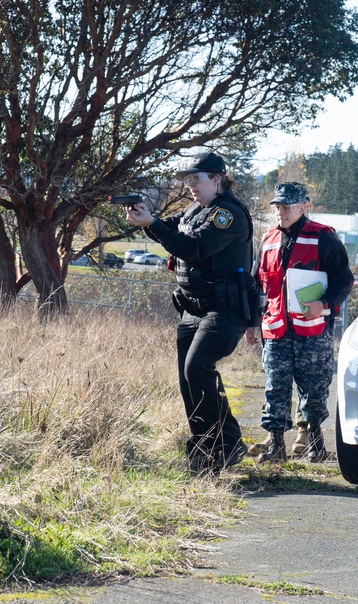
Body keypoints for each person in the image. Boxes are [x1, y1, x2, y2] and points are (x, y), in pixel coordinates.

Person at [124, 152, 257, 474]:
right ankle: (205, 446)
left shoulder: (227, 214)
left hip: (224, 311)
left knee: (198, 367)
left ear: (217, 178)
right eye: (186, 180)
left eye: (195, 179)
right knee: (189, 378)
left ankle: (225, 444)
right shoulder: (195, 210)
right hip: (193, 309)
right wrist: (147, 218)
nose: (190, 186)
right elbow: (170, 230)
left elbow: (194, 248)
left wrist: (153, 223)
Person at [245, 182, 353, 463]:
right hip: (276, 331)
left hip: (313, 332)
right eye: (278, 206)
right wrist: (251, 323)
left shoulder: (323, 239)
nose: (281, 211)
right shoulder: (267, 241)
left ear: (304, 206)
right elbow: (257, 287)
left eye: (288, 206)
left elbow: (344, 279)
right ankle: (276, 445)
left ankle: (316, 442)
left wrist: (325, 304)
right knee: (275, 388)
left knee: (315, 390)